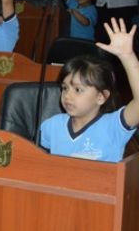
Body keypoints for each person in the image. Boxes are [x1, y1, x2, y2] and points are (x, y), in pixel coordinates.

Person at [40, 18, 139, 162]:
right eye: (65, 88)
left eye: (78, 90)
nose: (67, 95)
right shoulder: (51, 125)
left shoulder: (113, 127)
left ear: (101, 97)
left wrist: (127, 56)